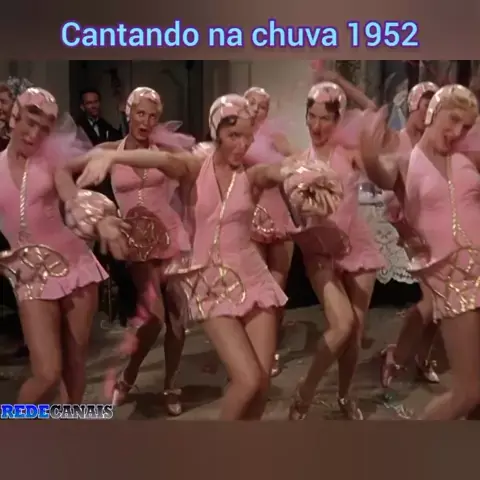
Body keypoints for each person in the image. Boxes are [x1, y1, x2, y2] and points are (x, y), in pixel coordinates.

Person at [75, 93, 341, 420]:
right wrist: (112, 157)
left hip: (254, 279)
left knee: (261, 387)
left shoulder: (252, 175)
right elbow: (161, 160)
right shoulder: (194, 168)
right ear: (217, 133)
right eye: (233, 135)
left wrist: (304, 174)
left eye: (247, 137)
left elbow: (279, 171)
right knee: (248, 380)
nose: (241, 145)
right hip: (209, 283)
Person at [61, 86, 193, 416]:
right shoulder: (108, 149)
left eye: (152, 116)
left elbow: (181, 170)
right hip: (134, 243)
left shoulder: (163, 152)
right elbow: (61, 170)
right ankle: (129, 375)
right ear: (128, 113)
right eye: (140, 113)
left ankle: (171, 384)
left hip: (171, 238)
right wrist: (79, 203)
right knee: (154, 319)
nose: (145, 121)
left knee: (178, 322)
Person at [0, 87, 128, 404]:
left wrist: (101, 222)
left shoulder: (51, 164)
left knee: (74, 363)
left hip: (75, 268)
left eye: (44, 129)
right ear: (14, 117)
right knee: (46, 373)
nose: (34, 134)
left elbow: (72, 198)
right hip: (30, 278)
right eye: (30, 123)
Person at [361, 84, 480, 420]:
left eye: (466, 127)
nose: (457, 132)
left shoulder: (467, 159)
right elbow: (380, 174)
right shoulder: (405, 162)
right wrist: (368, 155)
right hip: (453, 282)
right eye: (453, 120)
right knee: (468, 392)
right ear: (433, 113)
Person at [288, 81, 385, 421]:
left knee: (354, 333)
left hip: (357, 247)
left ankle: (345, 396)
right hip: (320, 253)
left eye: (325, 118)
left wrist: (339, 82)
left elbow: (374, 113)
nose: (317, 126)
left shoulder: (350, 154)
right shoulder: (298, 162)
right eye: (311, 117)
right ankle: (306, 391)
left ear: (338, 119)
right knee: (342, 325)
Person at [376, 81, 443, 387]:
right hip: (410, 228)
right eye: (425, 106)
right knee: (432, 301)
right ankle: (398, 354)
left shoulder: (437, 143)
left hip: (438, 227)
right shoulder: (398, 141)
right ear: (413, 106)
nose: (429, 113)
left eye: (434, 107)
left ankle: (421, 357)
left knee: (441, 302)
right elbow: (389, 189)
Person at [243, 86, 296, 377]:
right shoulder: (236, 137)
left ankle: (271, 344)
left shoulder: (275, 136)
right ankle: (252, 346)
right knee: (255, 286)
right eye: (250, 102)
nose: (255, 108)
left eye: (261, 105)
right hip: (249, 217)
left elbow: (297, 160)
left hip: (277, 213)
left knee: (278, 287)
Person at [75, 87, 136, 327]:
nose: (93, 106)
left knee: (120, 258)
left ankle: (127, 307)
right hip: (90, 198)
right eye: (89, 103)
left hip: (111, 197)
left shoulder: (108, 126)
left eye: (96, 101)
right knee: (104, 256)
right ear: (83, 106)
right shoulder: (77, 130)